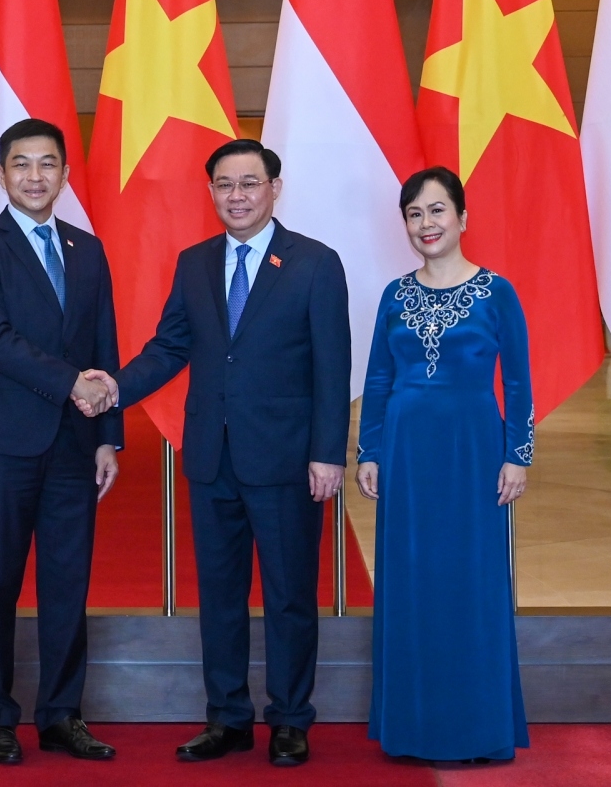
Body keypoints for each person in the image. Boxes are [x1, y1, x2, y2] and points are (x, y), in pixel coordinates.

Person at [83, 139, 350, 767]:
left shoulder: (314, 263)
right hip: (210, 458)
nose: (237, 196)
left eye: (249, 183)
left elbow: (332, 368)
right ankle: (228, 716)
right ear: (211, 193)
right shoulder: (195, 262)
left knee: (288, 593)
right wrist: (117, 388)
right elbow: (170, 346)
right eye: (225, 185)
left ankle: (289, 717)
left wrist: (327, 453)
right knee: (221, 594)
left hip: (287, 459)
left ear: (275, 188)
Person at [0, 118, 123, 764]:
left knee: (66, 583)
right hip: (0, 442)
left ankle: (60, 714)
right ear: (1, 175)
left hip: (76, 446)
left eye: (47, 164)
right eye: (21, 164)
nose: (34, 176)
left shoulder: (87, 248)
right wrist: (73, 383)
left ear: (64, 175)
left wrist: (109, 434)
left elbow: (103, 342)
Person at [356, 166, 533, 762]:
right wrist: (370, 451)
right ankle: (414, 726)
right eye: (414, 214)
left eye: (436, 211)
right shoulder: (394, 295)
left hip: (473, 452)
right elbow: (378, 378)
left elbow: (518, 381)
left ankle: (477, 728)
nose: (426, 224)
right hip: (407, 455)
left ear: (462, 218)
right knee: (411, 580)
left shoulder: (497, 292)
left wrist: (517, 455)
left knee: (472, 580)